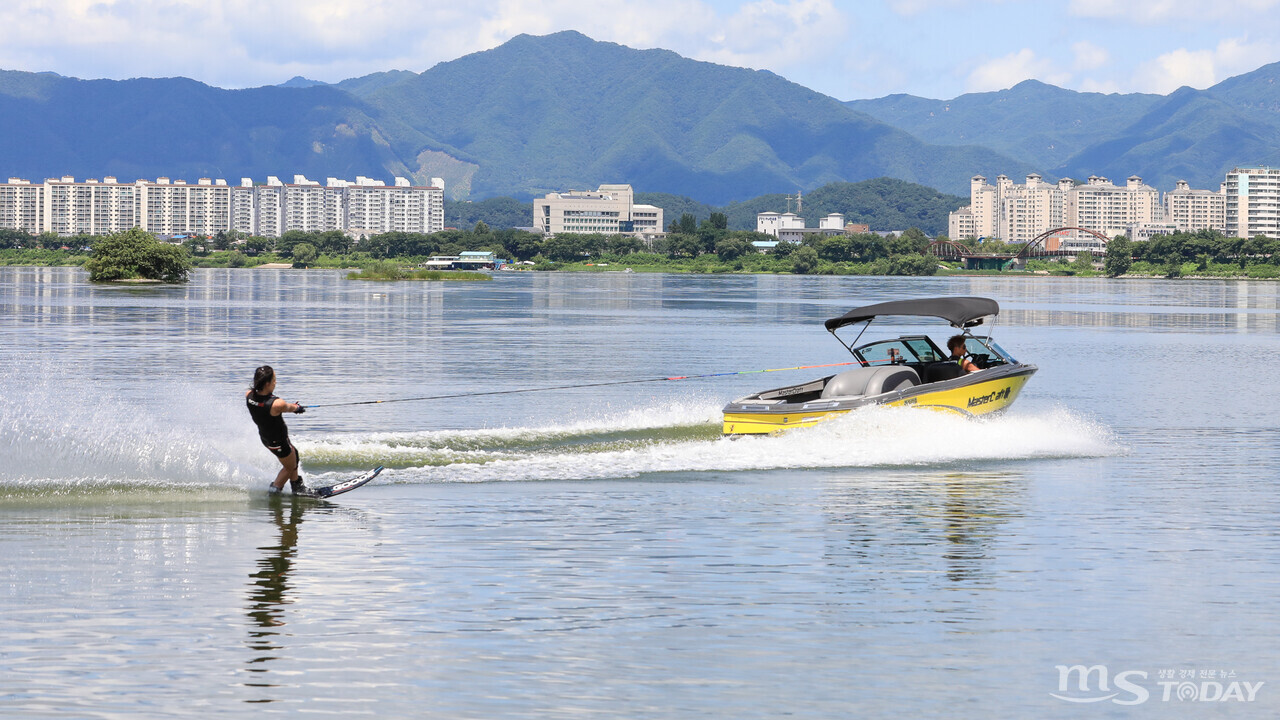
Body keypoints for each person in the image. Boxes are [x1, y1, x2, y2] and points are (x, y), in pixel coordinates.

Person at [246, 365, 315, 497]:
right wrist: (298, 408)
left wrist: (295, 408)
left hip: (267, 438)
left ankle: (297, 487)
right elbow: (289, 407)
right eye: (274, 380)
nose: (275, 383)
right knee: (290, 467)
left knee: (294, 454)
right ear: (267, 384)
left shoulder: (249, 395)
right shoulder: (277, 404)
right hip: (278, 441)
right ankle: (275, 490)